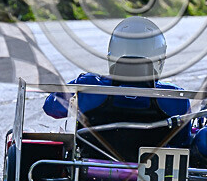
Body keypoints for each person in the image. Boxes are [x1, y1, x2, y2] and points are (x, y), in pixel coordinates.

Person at [43, 17, 192, 149]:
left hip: (90, 171)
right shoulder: (174, 97)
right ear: (158, 59)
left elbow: (51, 107)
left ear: (113, 55)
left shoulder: (88, 85)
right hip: (154, 176)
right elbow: (182, 142)